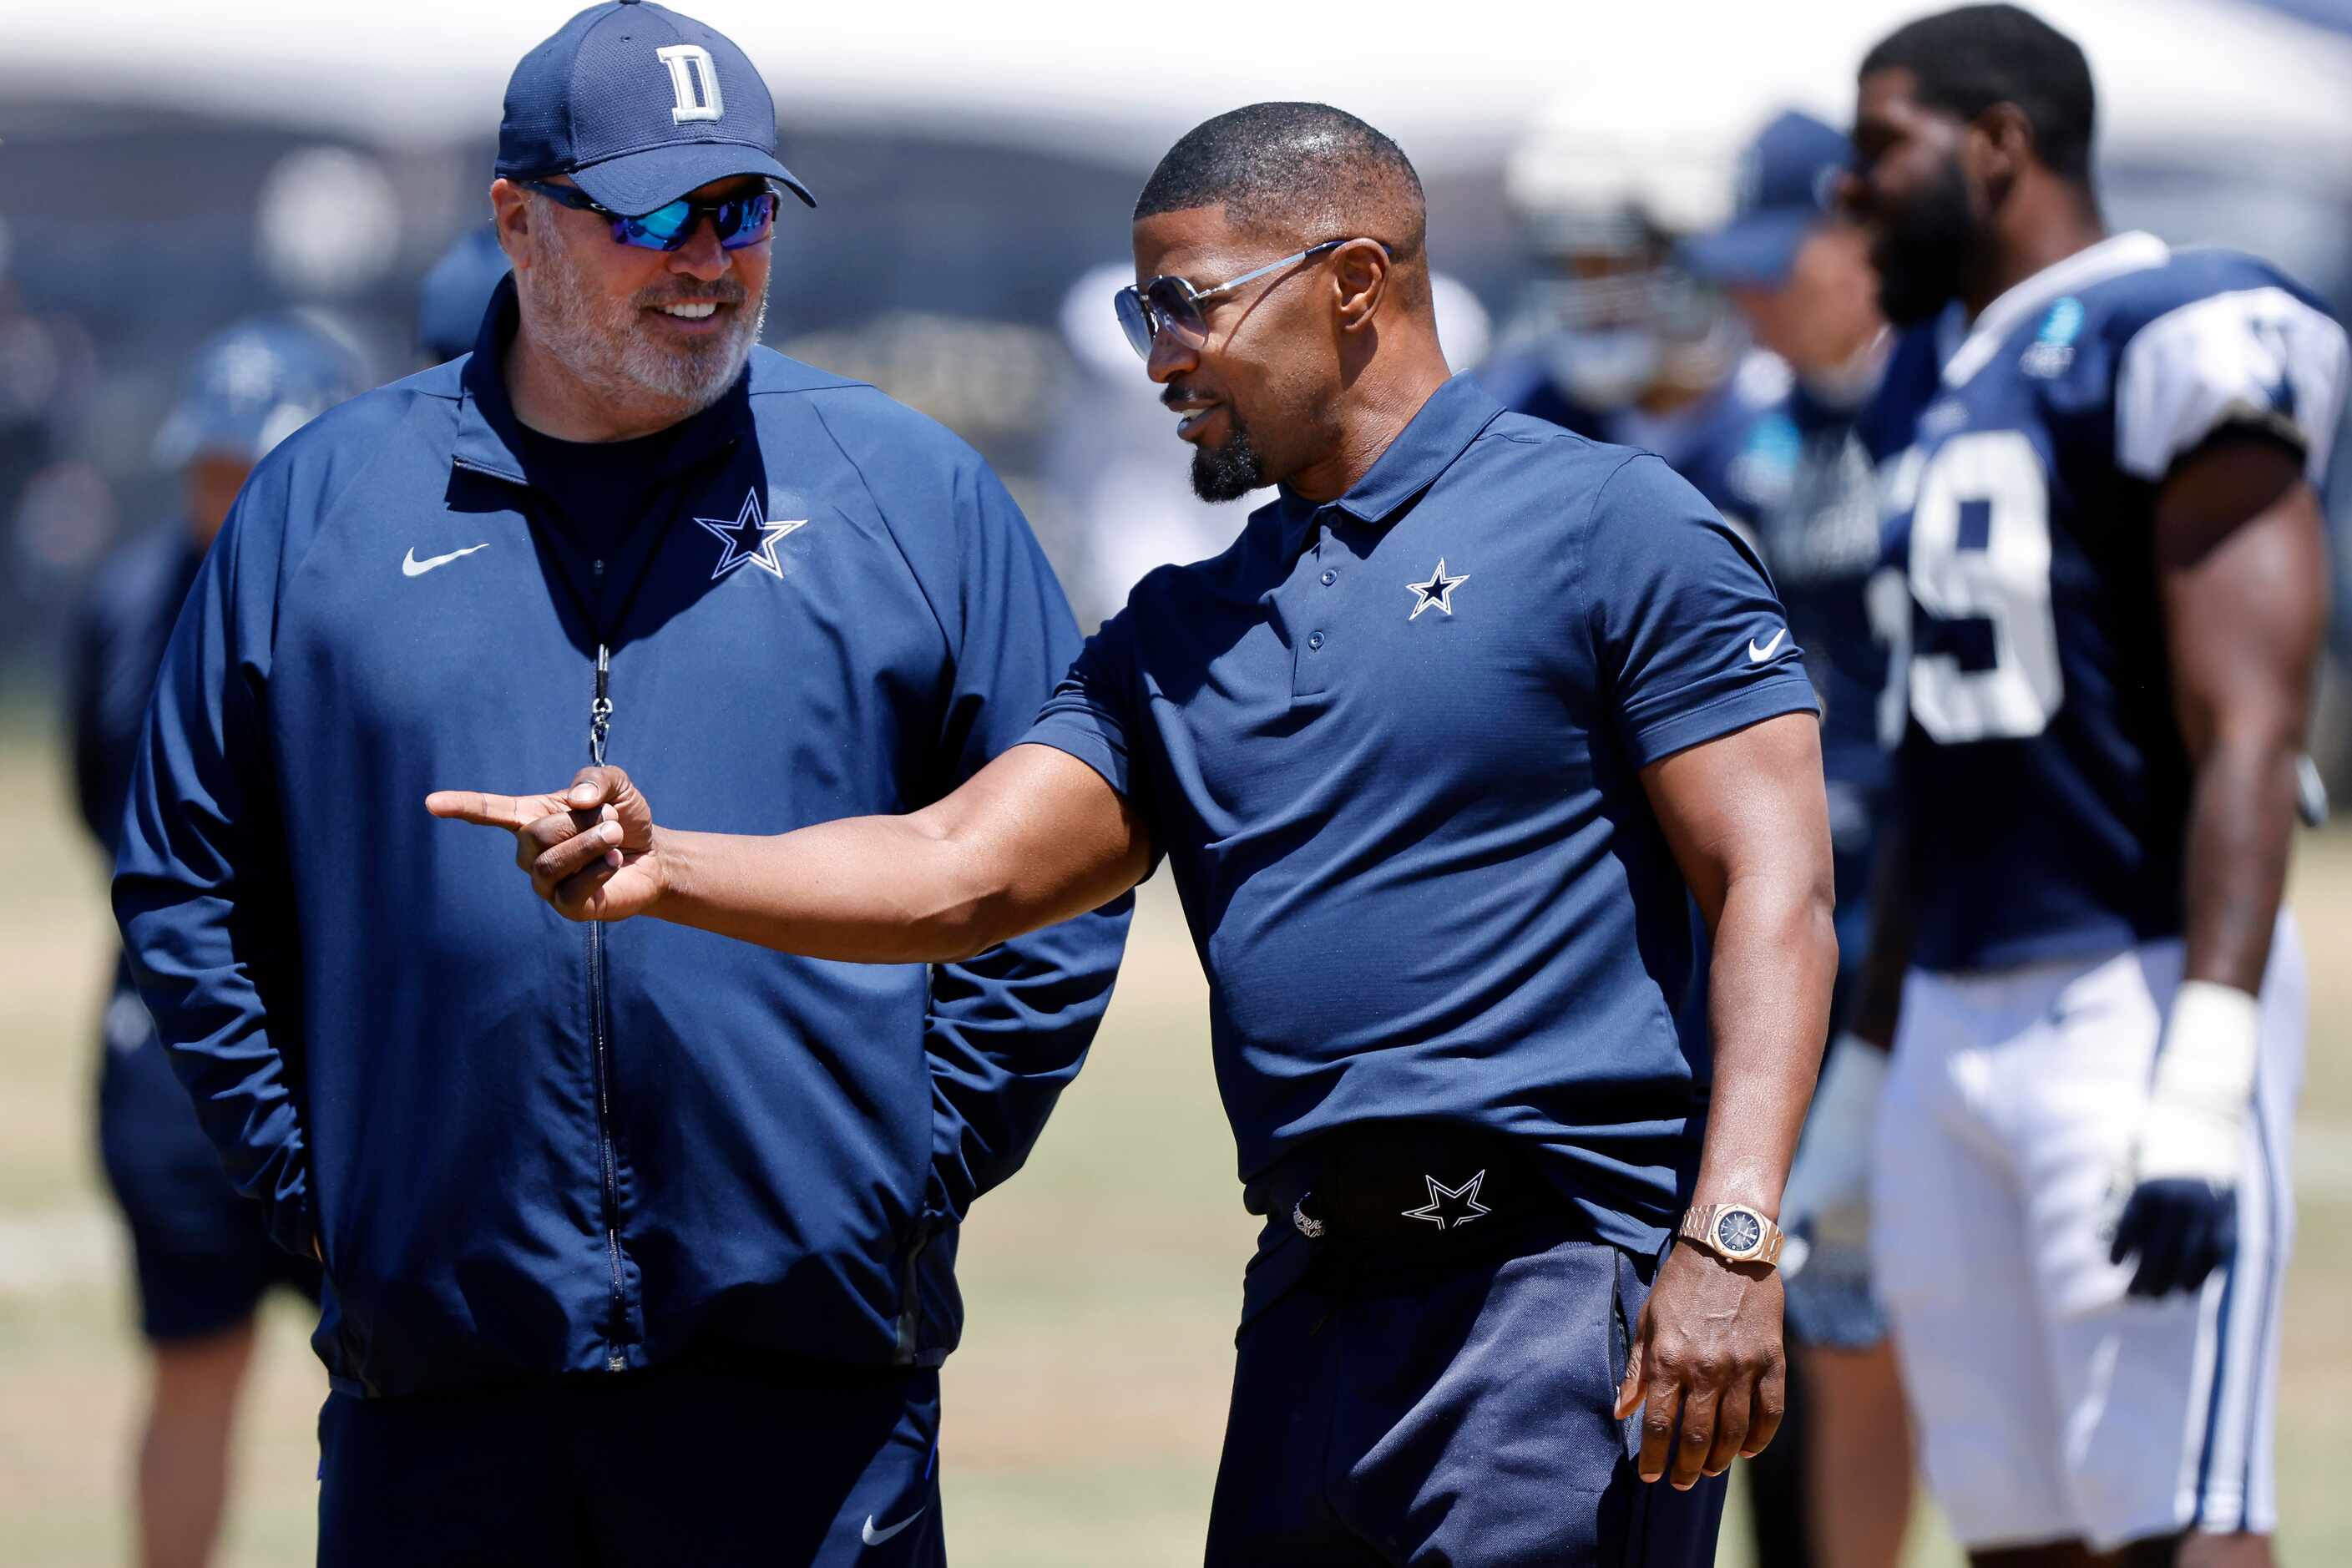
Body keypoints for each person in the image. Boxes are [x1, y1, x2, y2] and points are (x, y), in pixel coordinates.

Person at [433, 101, 1838, 1567]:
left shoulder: (1613, 525)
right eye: (1135, 310)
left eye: (1182, 306)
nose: (1155, 355)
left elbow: (1776, 889)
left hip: (1548, 1300)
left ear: (1351, 283)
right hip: (1306, 1312)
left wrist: (1731, 1236)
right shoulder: (1183, 627)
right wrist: (670, 868)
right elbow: (957, 869)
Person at [109, 3, 1128, 1563]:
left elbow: (1067, 851)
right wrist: (326, 1191)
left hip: (806, 1375)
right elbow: (187, 874)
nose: (706, 260)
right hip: (440, 1378)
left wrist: (903, 1170)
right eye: (651, 213)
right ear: (516, 219)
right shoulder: (322, 501)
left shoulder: (910, 493)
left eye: (738, 211)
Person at [1794, 7, 2349, 1564]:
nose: (1849, 192)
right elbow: (1933, 764)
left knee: (2174, 1514)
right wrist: (1863, 1072)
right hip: (1950, 1008)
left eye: (1877, 147)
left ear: (1996, 144)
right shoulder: (1931, 377)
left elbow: (2250, 722)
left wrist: (2206, 1062)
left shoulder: (2174, 324)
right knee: (2015, 1524)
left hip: (2132, 983)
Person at [68, 315, 364, 1568]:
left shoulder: (390, 597)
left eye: (248, 473)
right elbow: (105, 807)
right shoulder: (132, 603)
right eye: (207, 470)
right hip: (174, 1055)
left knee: (404, 1377)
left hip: (352, 1053)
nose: (220, 500)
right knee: (193, 1365)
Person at [1679, 111, 1915, 1568]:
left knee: (1877, 1303)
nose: (1756, 296)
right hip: (1793, 919)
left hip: (1937, 919)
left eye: (1786, 262)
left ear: (1859, 238)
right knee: (1817, 1295)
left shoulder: (1951, 398)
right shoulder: (1741, 428)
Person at [1476, 98, 1797, 544]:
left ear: (1688, 255)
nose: (1589, 297)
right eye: (1570, 265)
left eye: (1614, 262)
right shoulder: (1519, 416)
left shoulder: (1782, 410)